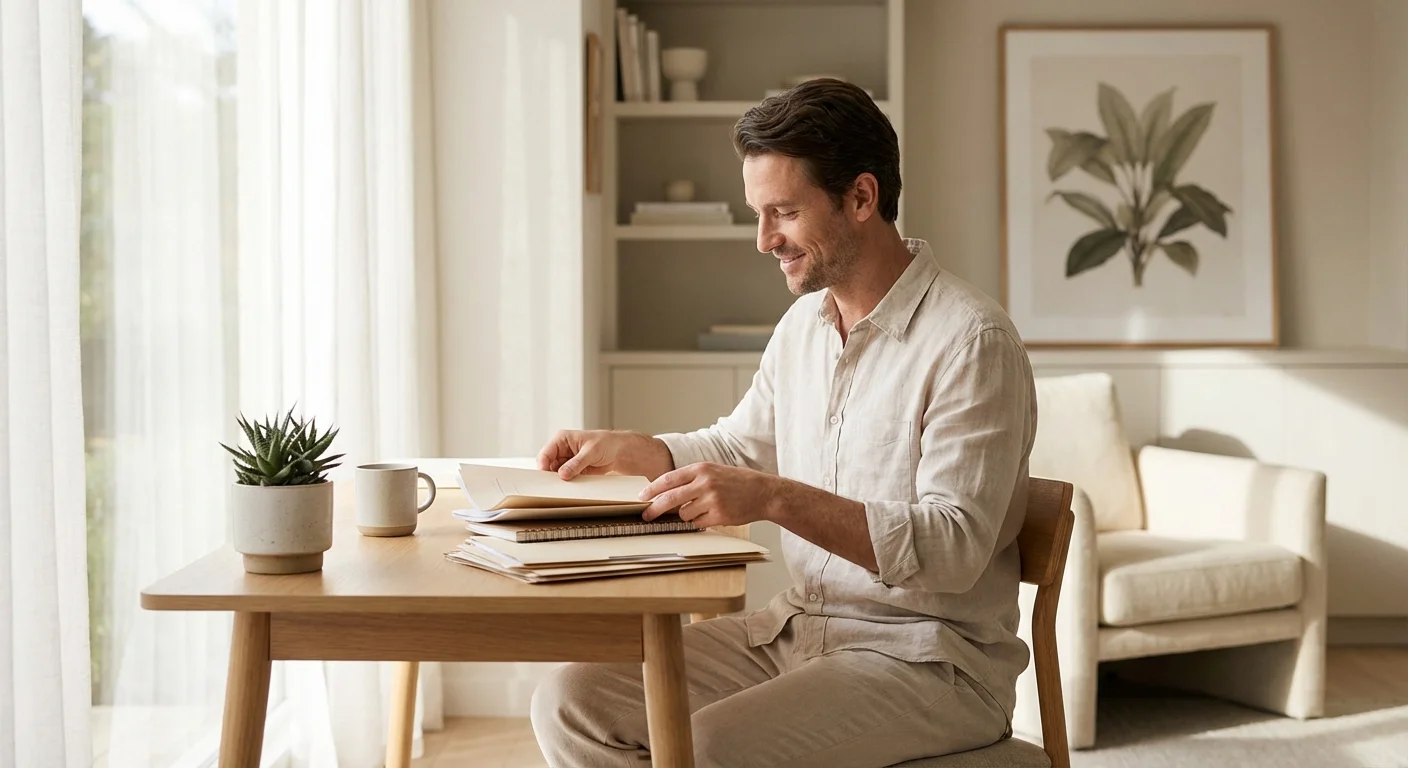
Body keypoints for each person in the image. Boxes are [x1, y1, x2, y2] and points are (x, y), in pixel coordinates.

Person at [530, 78, 1037, 768]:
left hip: (929, 661)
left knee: (709, 748)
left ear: (861, 198)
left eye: (785, 213)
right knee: (572, 700)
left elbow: (952, 547)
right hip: (798, 629)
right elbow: (740, 445)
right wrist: (635, 449)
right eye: (758, 214)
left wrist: (773, 497)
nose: (765, 240)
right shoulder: (805, 324)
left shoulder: (972, 341)